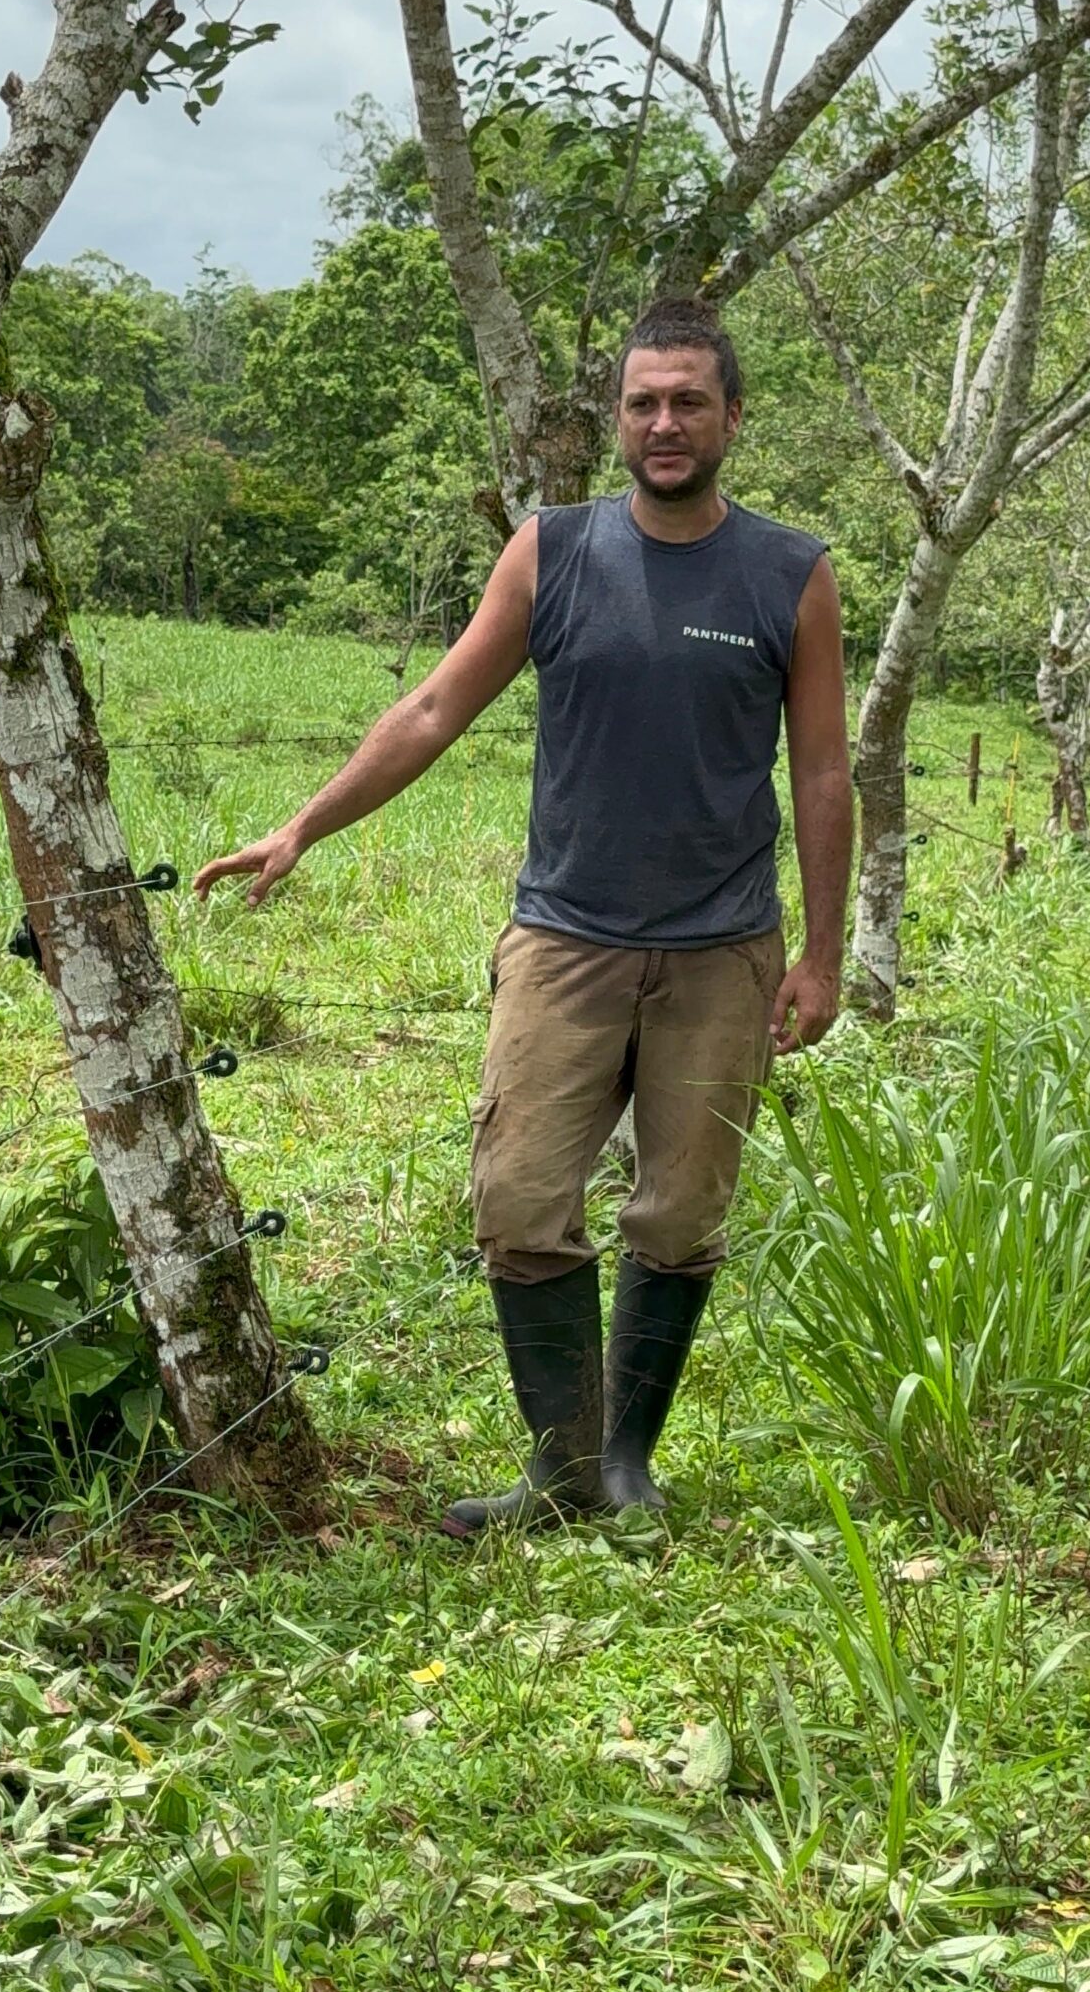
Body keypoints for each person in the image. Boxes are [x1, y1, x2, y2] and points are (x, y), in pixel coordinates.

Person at [195, 298, 853, 1536]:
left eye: (689, 401)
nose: (665, 422)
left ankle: (624, 1466)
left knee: (680, 1210)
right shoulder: (554, 550)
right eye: (643, 402)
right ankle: (559, 1468)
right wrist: (303, 824)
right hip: (565, 940)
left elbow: (822, 770)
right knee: (520, 1197)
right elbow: (437, 705)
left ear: (732, 417)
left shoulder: (790, 572)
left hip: (723, 950)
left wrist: (822, 954)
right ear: (617, 418)